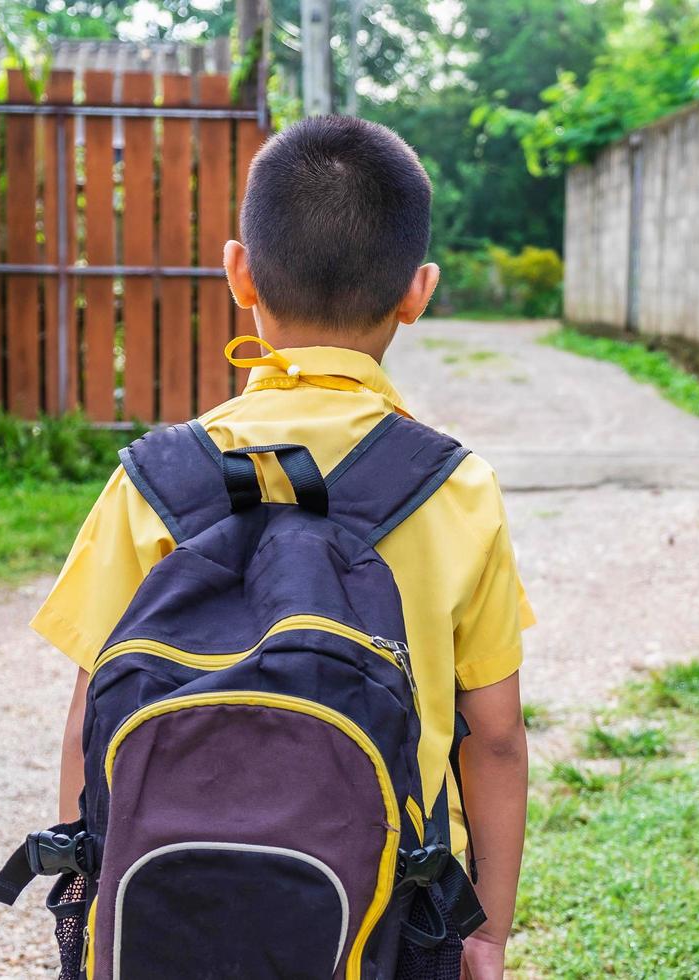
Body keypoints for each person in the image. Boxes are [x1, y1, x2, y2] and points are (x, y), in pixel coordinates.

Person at [29, 115, 532, 979]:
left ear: (239, 273)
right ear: (419, 292)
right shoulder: (457, 488)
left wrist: (88, 904)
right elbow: (493, 739)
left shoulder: (152, 480)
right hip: (392, 918)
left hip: (166, 909)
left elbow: (91, 714)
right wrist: (485, 932)